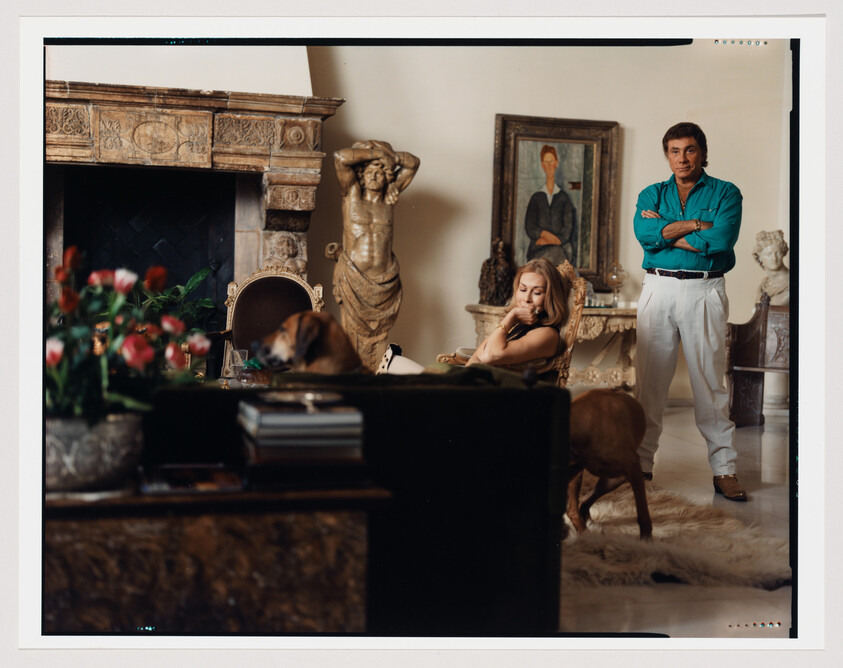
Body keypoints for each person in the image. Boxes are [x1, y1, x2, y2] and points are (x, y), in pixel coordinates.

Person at [633, 122, 746, 501]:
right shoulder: (651, 193)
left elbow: (723, 239)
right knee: (649, 384)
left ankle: (724, 470)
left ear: (702, 152)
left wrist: (667, 232)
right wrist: (698, 226)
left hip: (704, 289)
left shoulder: (726, 192)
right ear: (667, 155)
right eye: (675, 151)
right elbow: (644, 237)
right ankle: (641, 466)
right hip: (658, 287)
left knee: (709, 384)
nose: (682, 158)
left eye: (690, 150)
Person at [379, 257, 569, 380]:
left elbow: (491, 355)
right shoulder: (517, 326)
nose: (526, 298)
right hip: (470, 388)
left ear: (550, 297)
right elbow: (478, 356)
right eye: (523, 289)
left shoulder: (547, 335)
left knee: (390, 368)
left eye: (537, 292)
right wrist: (458, 380)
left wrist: (510, 316)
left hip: (491, 398)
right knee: (388, 363)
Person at [326, 140, 420, 370]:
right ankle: (355, 384)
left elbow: (413, 163)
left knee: (379, 343)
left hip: (385, 283)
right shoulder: (351, 195)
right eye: (369, 171)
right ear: (361, 174)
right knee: (351, 341)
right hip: (354, 281)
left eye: (380, 172)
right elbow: (340, 157)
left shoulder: (390, 198)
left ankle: (371, 387)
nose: (374, 177)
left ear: (387, 176)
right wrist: (377, 153)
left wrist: (391, 158)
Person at [525, 145, 578, 266]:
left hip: (559, 248)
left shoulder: (564, 198)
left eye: (551, 161)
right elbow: (530, 227)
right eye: (546, 162)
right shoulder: (536, 197)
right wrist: (544, 235)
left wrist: (548, 240)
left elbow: (567, 230)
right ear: (542, 164)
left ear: (556, 163)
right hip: (537, 250)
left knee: (557, 253)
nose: (549, 165)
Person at [753, 229, 790, 306]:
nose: (774, 258)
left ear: (783, 253)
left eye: (778, 253)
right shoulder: (764, 284)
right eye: (768, 254)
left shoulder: (790, 283)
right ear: (759, 257)